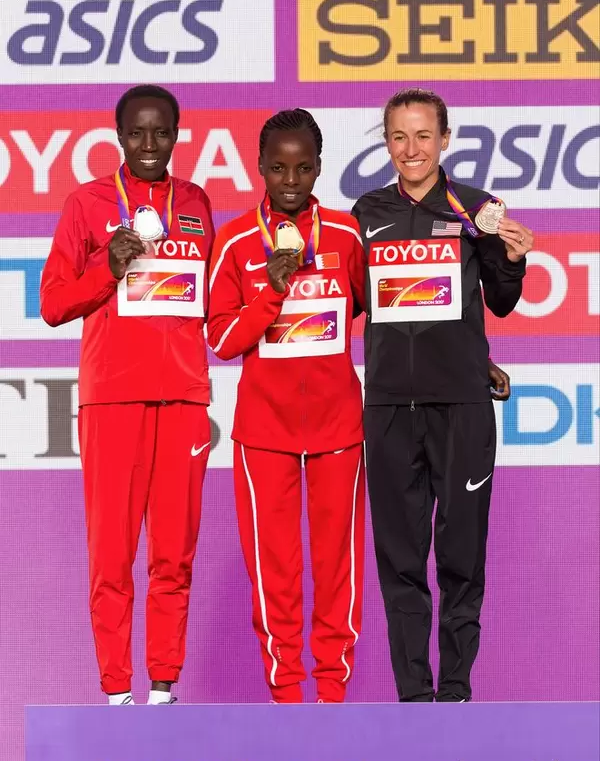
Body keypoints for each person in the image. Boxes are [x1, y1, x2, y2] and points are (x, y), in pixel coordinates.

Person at [352, 88, 533, 703]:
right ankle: (413, 699)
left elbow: (501, 301)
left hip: (460, 408)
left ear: (446, 139)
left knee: (461, 558)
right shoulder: (365, 211)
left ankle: (455, 691)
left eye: (423, 135)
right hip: (388, 411)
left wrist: (510, 260)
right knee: (400, 562)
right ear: (385, 141)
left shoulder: (477, 208)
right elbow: (350, 300)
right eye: (398, 136)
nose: (411, 149)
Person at [41, 85, 214, 705]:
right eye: (137, 133)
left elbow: (204, 299)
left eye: (161, 133)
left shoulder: (194, 202)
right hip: (113, 400)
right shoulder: (87, 204)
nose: (149, 145)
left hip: (184, 400)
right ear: (118, 136)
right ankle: (116, 691)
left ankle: (164, 689)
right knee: (111, 557)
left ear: (176, 135)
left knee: (175, 557)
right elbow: (54, 303)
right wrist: (106, 269)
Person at [207, 109, 365, 704]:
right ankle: (287, 695)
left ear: (319, 167)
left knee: (337, 569)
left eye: (302, 167)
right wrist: (274, 289)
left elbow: (364, 311)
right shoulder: (237, 241)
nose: (290, 180)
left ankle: (332, 694)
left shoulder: (347, 235)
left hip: (339, 429)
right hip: (263, 434)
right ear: (260, 168)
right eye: (277, 167)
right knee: (274, 572)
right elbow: (221, 341)